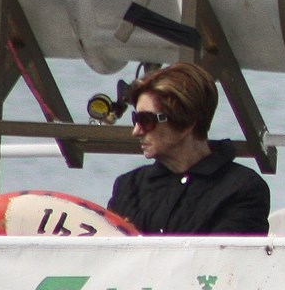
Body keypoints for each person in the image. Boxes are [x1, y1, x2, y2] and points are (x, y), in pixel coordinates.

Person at [106, 62, 271, 235]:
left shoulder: (243, 189)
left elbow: (225, 259)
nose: (136, 131)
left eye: (146, 120)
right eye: (135, 119)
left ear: (185, 122)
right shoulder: (127, 186)